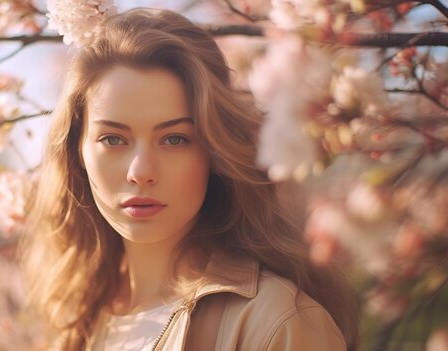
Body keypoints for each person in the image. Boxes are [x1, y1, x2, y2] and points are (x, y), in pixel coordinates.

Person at [20, 7, 359, 351]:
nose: (140, 172)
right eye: (113, 139)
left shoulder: (277, 322)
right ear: (76, 152)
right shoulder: (78, 315)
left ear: (214, 152)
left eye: (174, 139)